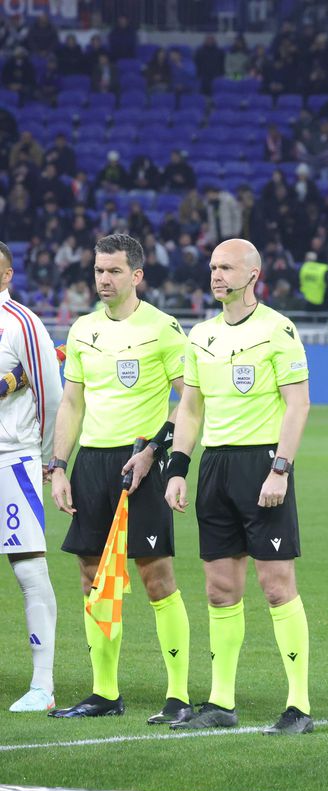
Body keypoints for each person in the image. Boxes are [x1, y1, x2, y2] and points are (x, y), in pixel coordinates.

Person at [164, 238, 313, 735]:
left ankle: (298, 705)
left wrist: (281, 469)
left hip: (262, 464)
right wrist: (178, 467)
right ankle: (221, 702)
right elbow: (189, 408)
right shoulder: (200, 335)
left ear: (253, 274)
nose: (216, 275)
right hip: (216, 467)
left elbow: (298, 405)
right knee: (220, 588)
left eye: (226, 267)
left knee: (276, 587)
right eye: (212, 267)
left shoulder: (278, 330)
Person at [48, 233, 192, 724]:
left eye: (113, 271)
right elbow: (71, 402)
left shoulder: (164, 329)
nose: (103, 279)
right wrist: (59, 466)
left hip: (141, 464)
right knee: (92, 576)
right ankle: (104, 692)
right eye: (98, 270)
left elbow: (191, 401)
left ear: (137, 275)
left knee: (155, 577)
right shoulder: (83, 328)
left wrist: (157, 450)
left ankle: (177, 696)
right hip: (92, 464)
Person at [0, 240, 62, 713]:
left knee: (26, 565)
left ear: (7, 276)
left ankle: (43, 685)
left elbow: (53, 396)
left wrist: (46, 460)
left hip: (12, 456)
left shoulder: (21, 323)